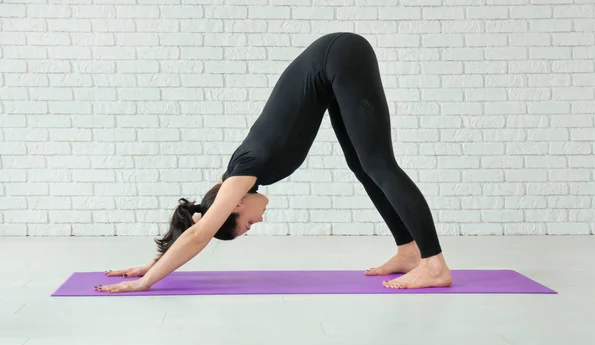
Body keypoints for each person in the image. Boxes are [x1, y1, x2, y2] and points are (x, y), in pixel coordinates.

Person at [96, 32, 452, 294]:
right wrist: (154, 260)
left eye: (248, 222)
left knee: (379, 163)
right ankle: (408, 252)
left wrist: (147, 281)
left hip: (339, 56)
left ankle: (433, 263)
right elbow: (197, 224)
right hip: (331, 67)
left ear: (234, 205)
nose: (260, 219)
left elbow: (199, 233)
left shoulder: (241, 175)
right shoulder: (242, 177)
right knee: (364, 166)